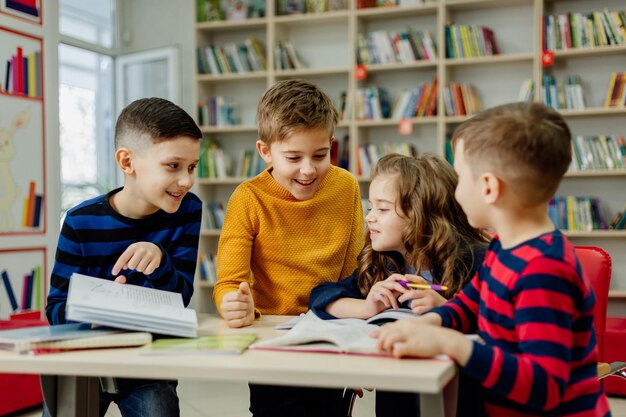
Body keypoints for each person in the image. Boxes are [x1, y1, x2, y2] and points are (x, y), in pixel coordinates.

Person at [375, 102, 612, 417]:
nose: (454, 193)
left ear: (488, 187)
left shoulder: (543, 271)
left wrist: (453, 344)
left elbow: (544, 386)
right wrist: (430, 323)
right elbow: (469, 304)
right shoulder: (504, 247)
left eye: (460, 180)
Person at [212, 79, 364, 417]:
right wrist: (232, 304)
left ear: (331, 146)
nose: (308, 169)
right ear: (265, 151)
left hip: (330, 331)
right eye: (293, 157)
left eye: (320, 155)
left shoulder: (347, 187)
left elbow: (355, 275)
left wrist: (356, 345)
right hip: (273, 341)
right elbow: (227, 283)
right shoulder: (248, 198)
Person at [45, 97, 203, 417]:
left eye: (192, 167)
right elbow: (55, 309)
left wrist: (161, 262)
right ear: (127, 162)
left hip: (146, 365)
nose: (186, 180)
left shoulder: (188, 210)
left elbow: (180, 298)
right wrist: (97, 313)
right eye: (173, 166)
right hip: (83, 363)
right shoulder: (80, 220)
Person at [309, 153, 488, 417]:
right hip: (400, 398)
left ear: (422, 214)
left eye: (382, 209)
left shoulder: (476, 260)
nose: (369, 218)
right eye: (372, 207)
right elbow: (320, 295)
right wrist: (366, 308)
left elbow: (503, 329)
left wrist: (449, 311)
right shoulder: (386, 264)